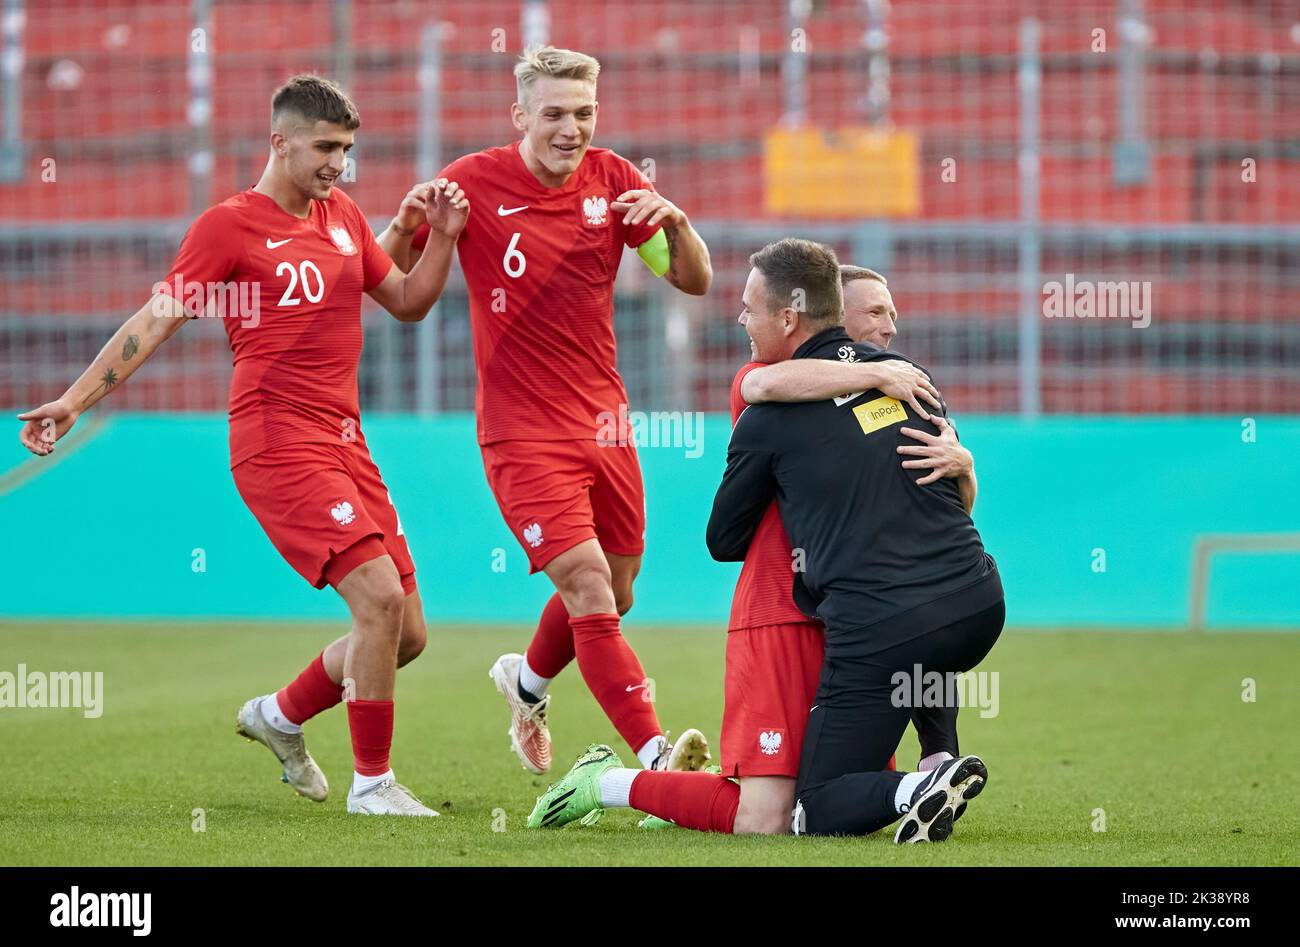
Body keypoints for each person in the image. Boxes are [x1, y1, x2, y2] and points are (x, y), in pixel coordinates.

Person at [17, 75, 466, 817]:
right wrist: (73, 399)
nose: (338, 164)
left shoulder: (344, 215)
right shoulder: (229, 227)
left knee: (405, 635)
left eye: (347, 150)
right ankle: (373, 785)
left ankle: (280, 717)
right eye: (325, 148)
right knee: (380, 602)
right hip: (277, 440)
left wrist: (438, 234)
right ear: (278, 143)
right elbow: (155, 320)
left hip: (346, 443)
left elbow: (410, 302)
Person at [380, 46, 714, 776]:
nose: (572, 128)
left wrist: (678, 224)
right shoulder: (470, 184)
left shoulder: (618, 182)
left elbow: (693, 281)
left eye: (584, 112)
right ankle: (658, 760)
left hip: (605, 421)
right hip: (520, 431)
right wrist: (417, 224)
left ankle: (526, 683)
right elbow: (388, 280)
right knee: (588, 586)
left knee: (619, 591)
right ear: (521, 116)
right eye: (556, 113)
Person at [708, 238, 1004, 841]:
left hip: (882, 627)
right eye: (877, 313)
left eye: (748, 308)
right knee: (926, 617)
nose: (741, 318)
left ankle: (917, 787)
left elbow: (723, 538)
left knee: (813, 808)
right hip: (980, 604)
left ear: (787, 317)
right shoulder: (912, 383)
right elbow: (946, 497)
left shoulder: (770, 414)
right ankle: (938, 758)